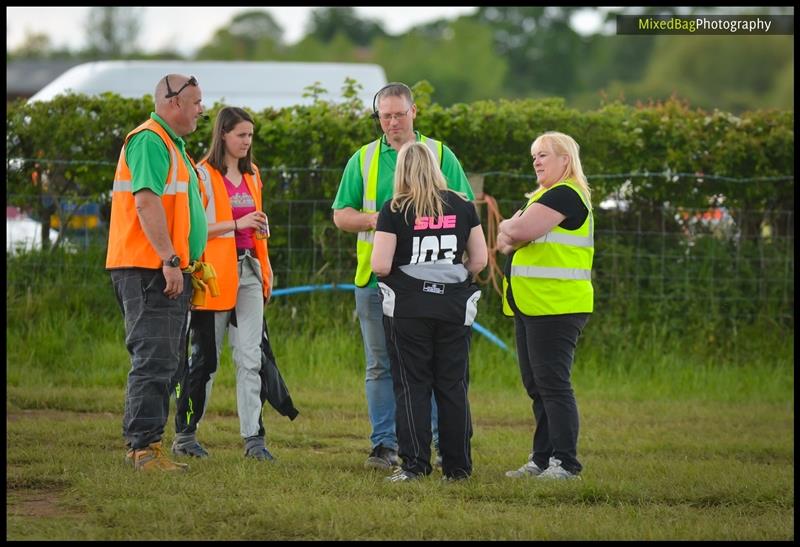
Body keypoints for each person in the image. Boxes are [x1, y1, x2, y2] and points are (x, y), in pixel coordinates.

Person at [332, 82, 475, 470]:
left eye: (399, 114)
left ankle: (430, 443)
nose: (392, 122)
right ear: (378, 117)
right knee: (380, 365)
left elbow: (464, 208)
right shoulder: (362, 159)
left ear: (414, 113)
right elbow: (340, 214)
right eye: (385, 116)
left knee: (428, 369)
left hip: (433, 283)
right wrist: (379, 220)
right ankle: (384, 444)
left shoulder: (441, 154)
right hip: (375, 281)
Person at [106, 74, 207, 472]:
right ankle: (143, 448)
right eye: (196, 101)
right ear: (173, 103)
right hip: (150, 268)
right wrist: (169, 260)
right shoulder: (150, 140)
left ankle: (147, 444)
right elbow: (147, 203)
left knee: (165, 360)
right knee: (154, 358)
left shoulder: (172, 145)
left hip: (163, 268)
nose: (202, 108)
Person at [371, 142, 487, 482]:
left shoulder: (394, 208)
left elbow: (379, 265)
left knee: (412, 385)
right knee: (452, 386)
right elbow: (479, 260)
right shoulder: (463, 205)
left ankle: (415, 466)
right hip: (453, 307)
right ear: (436, 167)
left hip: (408, 308)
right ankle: (458, 468)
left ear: (402, 171)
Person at [173, 106, 277, 461]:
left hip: (249, 272)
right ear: (223, 136)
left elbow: (257, 226)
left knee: (251, 357)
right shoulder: (202, 175)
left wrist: (266, 263)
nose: (248, 141)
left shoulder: (254, 175)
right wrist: (238, 224)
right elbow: (193, 230)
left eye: (250, 135)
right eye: (241, 135)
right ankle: (185, 435)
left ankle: (254, 439)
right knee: (205, 360)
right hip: (214, 278)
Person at [496, 131, 594, 480]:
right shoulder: (542, 196)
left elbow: (515, 233)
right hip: (532, 304)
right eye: (534, 156)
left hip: (557, 305)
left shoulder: (566, 194)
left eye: (543, 155)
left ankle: (566, 463)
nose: (536, 161)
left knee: (553, 384)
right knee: (536, 385)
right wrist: (513, 229)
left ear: (565, 160)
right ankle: (542, 459)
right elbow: (504, 242)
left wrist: (512, 226)